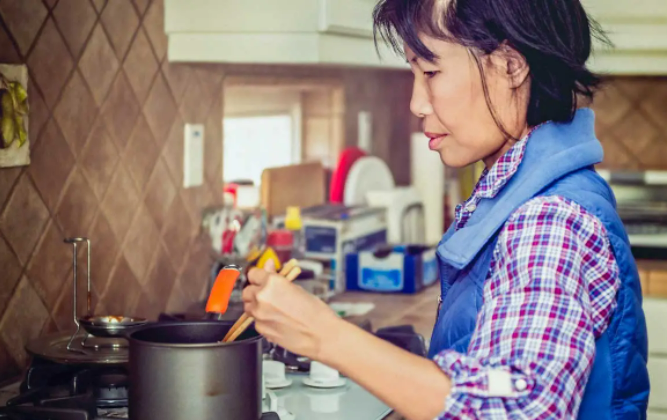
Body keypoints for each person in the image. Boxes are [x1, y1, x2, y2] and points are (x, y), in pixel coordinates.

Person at [242, 0, 650, 418]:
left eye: (431, 72)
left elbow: (519, 409)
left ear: (511, 66)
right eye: (414, 73)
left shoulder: (548, 219)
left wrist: (324, 335)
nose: (417, 103)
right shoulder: (520, 189)